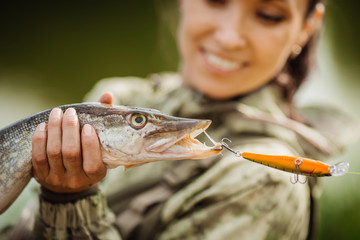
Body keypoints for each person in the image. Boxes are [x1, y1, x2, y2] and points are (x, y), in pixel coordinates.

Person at [6, 0, 358, 239]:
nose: (229, 37)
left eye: (268, 14)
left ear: (306, 28)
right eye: (217, 0)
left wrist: (69, 203)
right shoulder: (121, 94)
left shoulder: (266, 185)